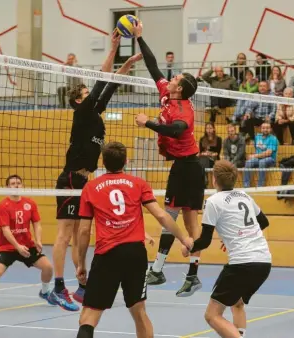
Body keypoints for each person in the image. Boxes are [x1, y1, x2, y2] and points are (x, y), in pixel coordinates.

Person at [50, 32, 143, 311]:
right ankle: (57, 287)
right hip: (69, 179)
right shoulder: (82, 113)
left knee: (81, 234)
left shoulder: (95, 115)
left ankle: (81, 282)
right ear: (79, 100)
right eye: (86, 94)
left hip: (84, 182)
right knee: (65, 235)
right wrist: (114, 47)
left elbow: (111, 84)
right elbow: (103, 77)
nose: (90, 95)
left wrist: (129, 64)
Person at [75, 141, 193, 338]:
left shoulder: (91, 187)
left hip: (107, 255)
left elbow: (84, 231)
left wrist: (81, 263)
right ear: (126, 161)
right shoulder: (138, 183)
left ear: (103, 163)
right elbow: (163, 216)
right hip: (135, 254)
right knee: (139, 312)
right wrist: (184, 239)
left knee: (88, 316)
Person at [132, 20, 204, 297]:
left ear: (181, 88)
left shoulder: (184, 111)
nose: (171, 78)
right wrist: (140, 37)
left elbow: (176, 130)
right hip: (185, 166)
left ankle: (162, 270)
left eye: (176, 78)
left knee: (174, 218)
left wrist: (147, 123)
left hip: (188, 167)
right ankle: (176, 272)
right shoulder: (166, 93)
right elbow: (152, 66)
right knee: (181, 219)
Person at [180, 160, 271, 338]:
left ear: (214, 180)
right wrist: (241, 235)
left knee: (212, 315)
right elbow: (264, 222)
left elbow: (205, 241)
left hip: (242, 264)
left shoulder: (213, 201)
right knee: (237, 303)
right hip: (264, 262)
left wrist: (189, 247)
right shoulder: (245, 196)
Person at [0, 175, 54, 310]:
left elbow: (37, 223)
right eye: (13, 183)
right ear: (7, 187)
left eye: (18, 183)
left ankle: (44, 292)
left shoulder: (30, 203)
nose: (16, 185)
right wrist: (17, 246)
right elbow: (5, 230)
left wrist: (38, 240)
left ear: (22, 185)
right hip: (7, 247)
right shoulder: (3, 205)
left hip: (27, 246)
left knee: (48, 267)